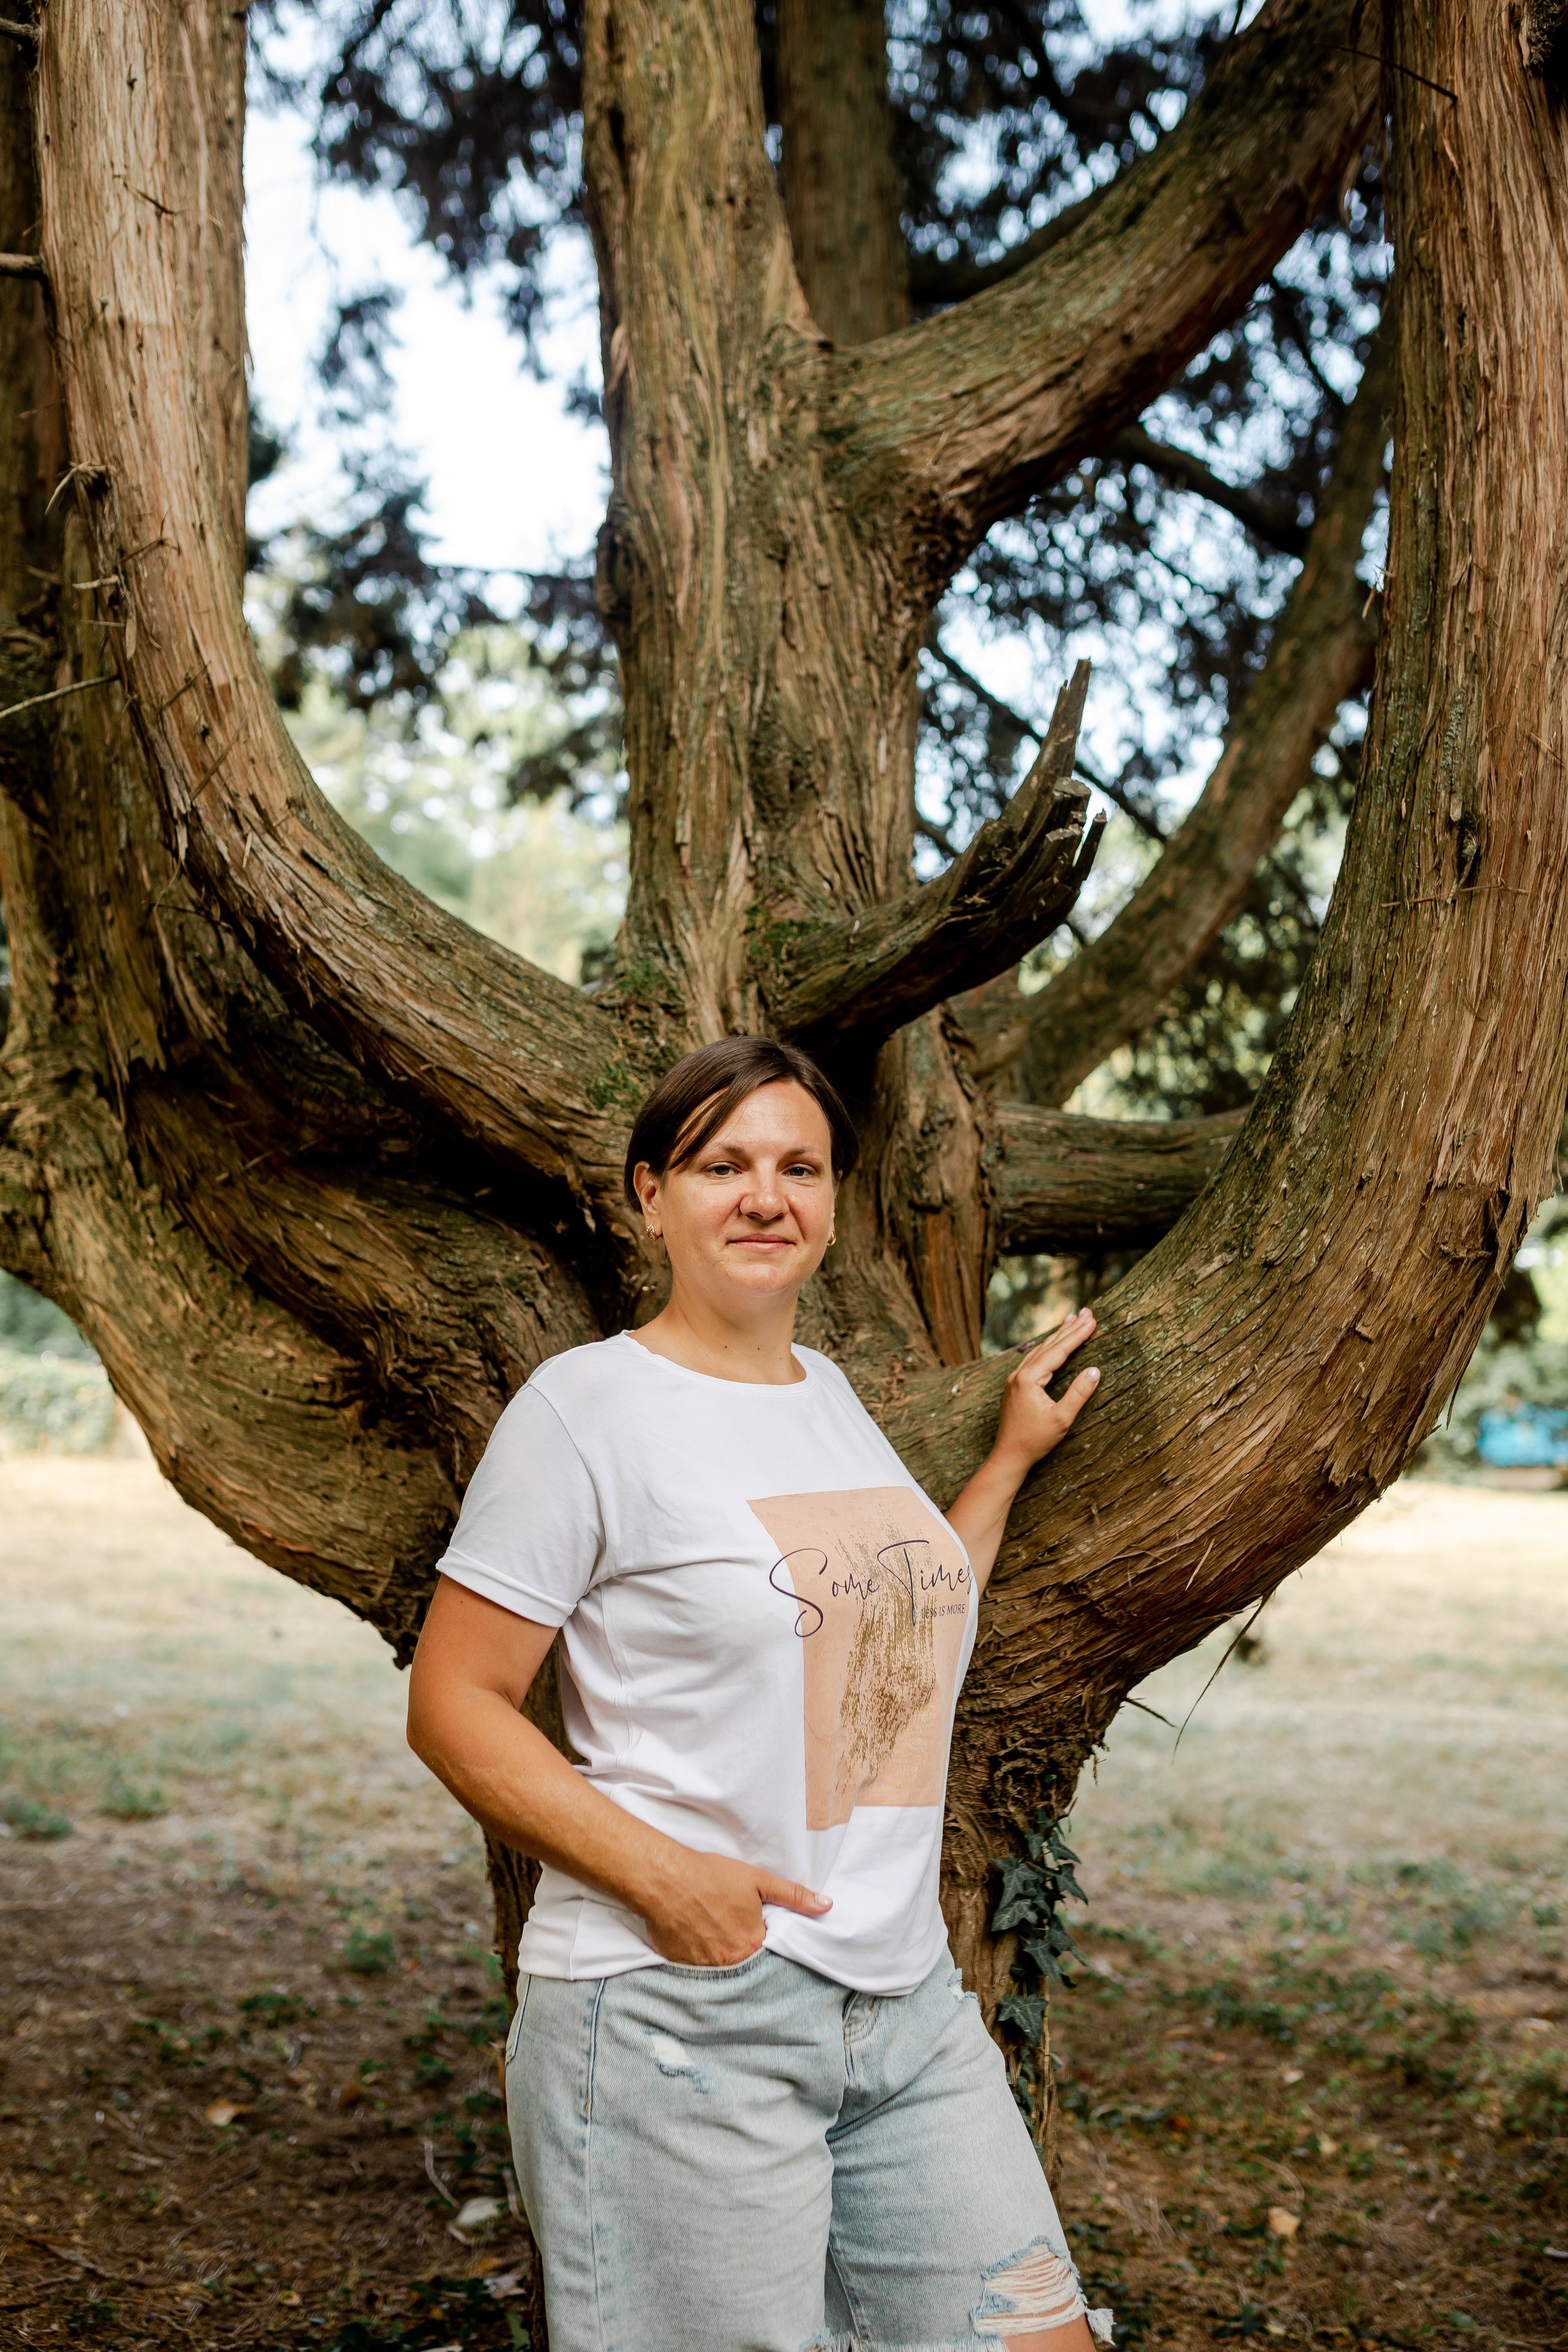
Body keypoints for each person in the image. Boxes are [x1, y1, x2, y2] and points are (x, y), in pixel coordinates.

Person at [407, 1035, 1108, 2352]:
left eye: (799, 1166)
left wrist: (1008, 1461)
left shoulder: (828, 1397)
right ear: (646, 1194)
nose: (764, 1196)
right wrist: (673, 1882)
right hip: (680, 2019)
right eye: (720, 1164)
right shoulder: (585, 1412)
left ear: (836, 1198)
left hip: (901, 2006)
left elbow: (894, 1630)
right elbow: (453, 1702)